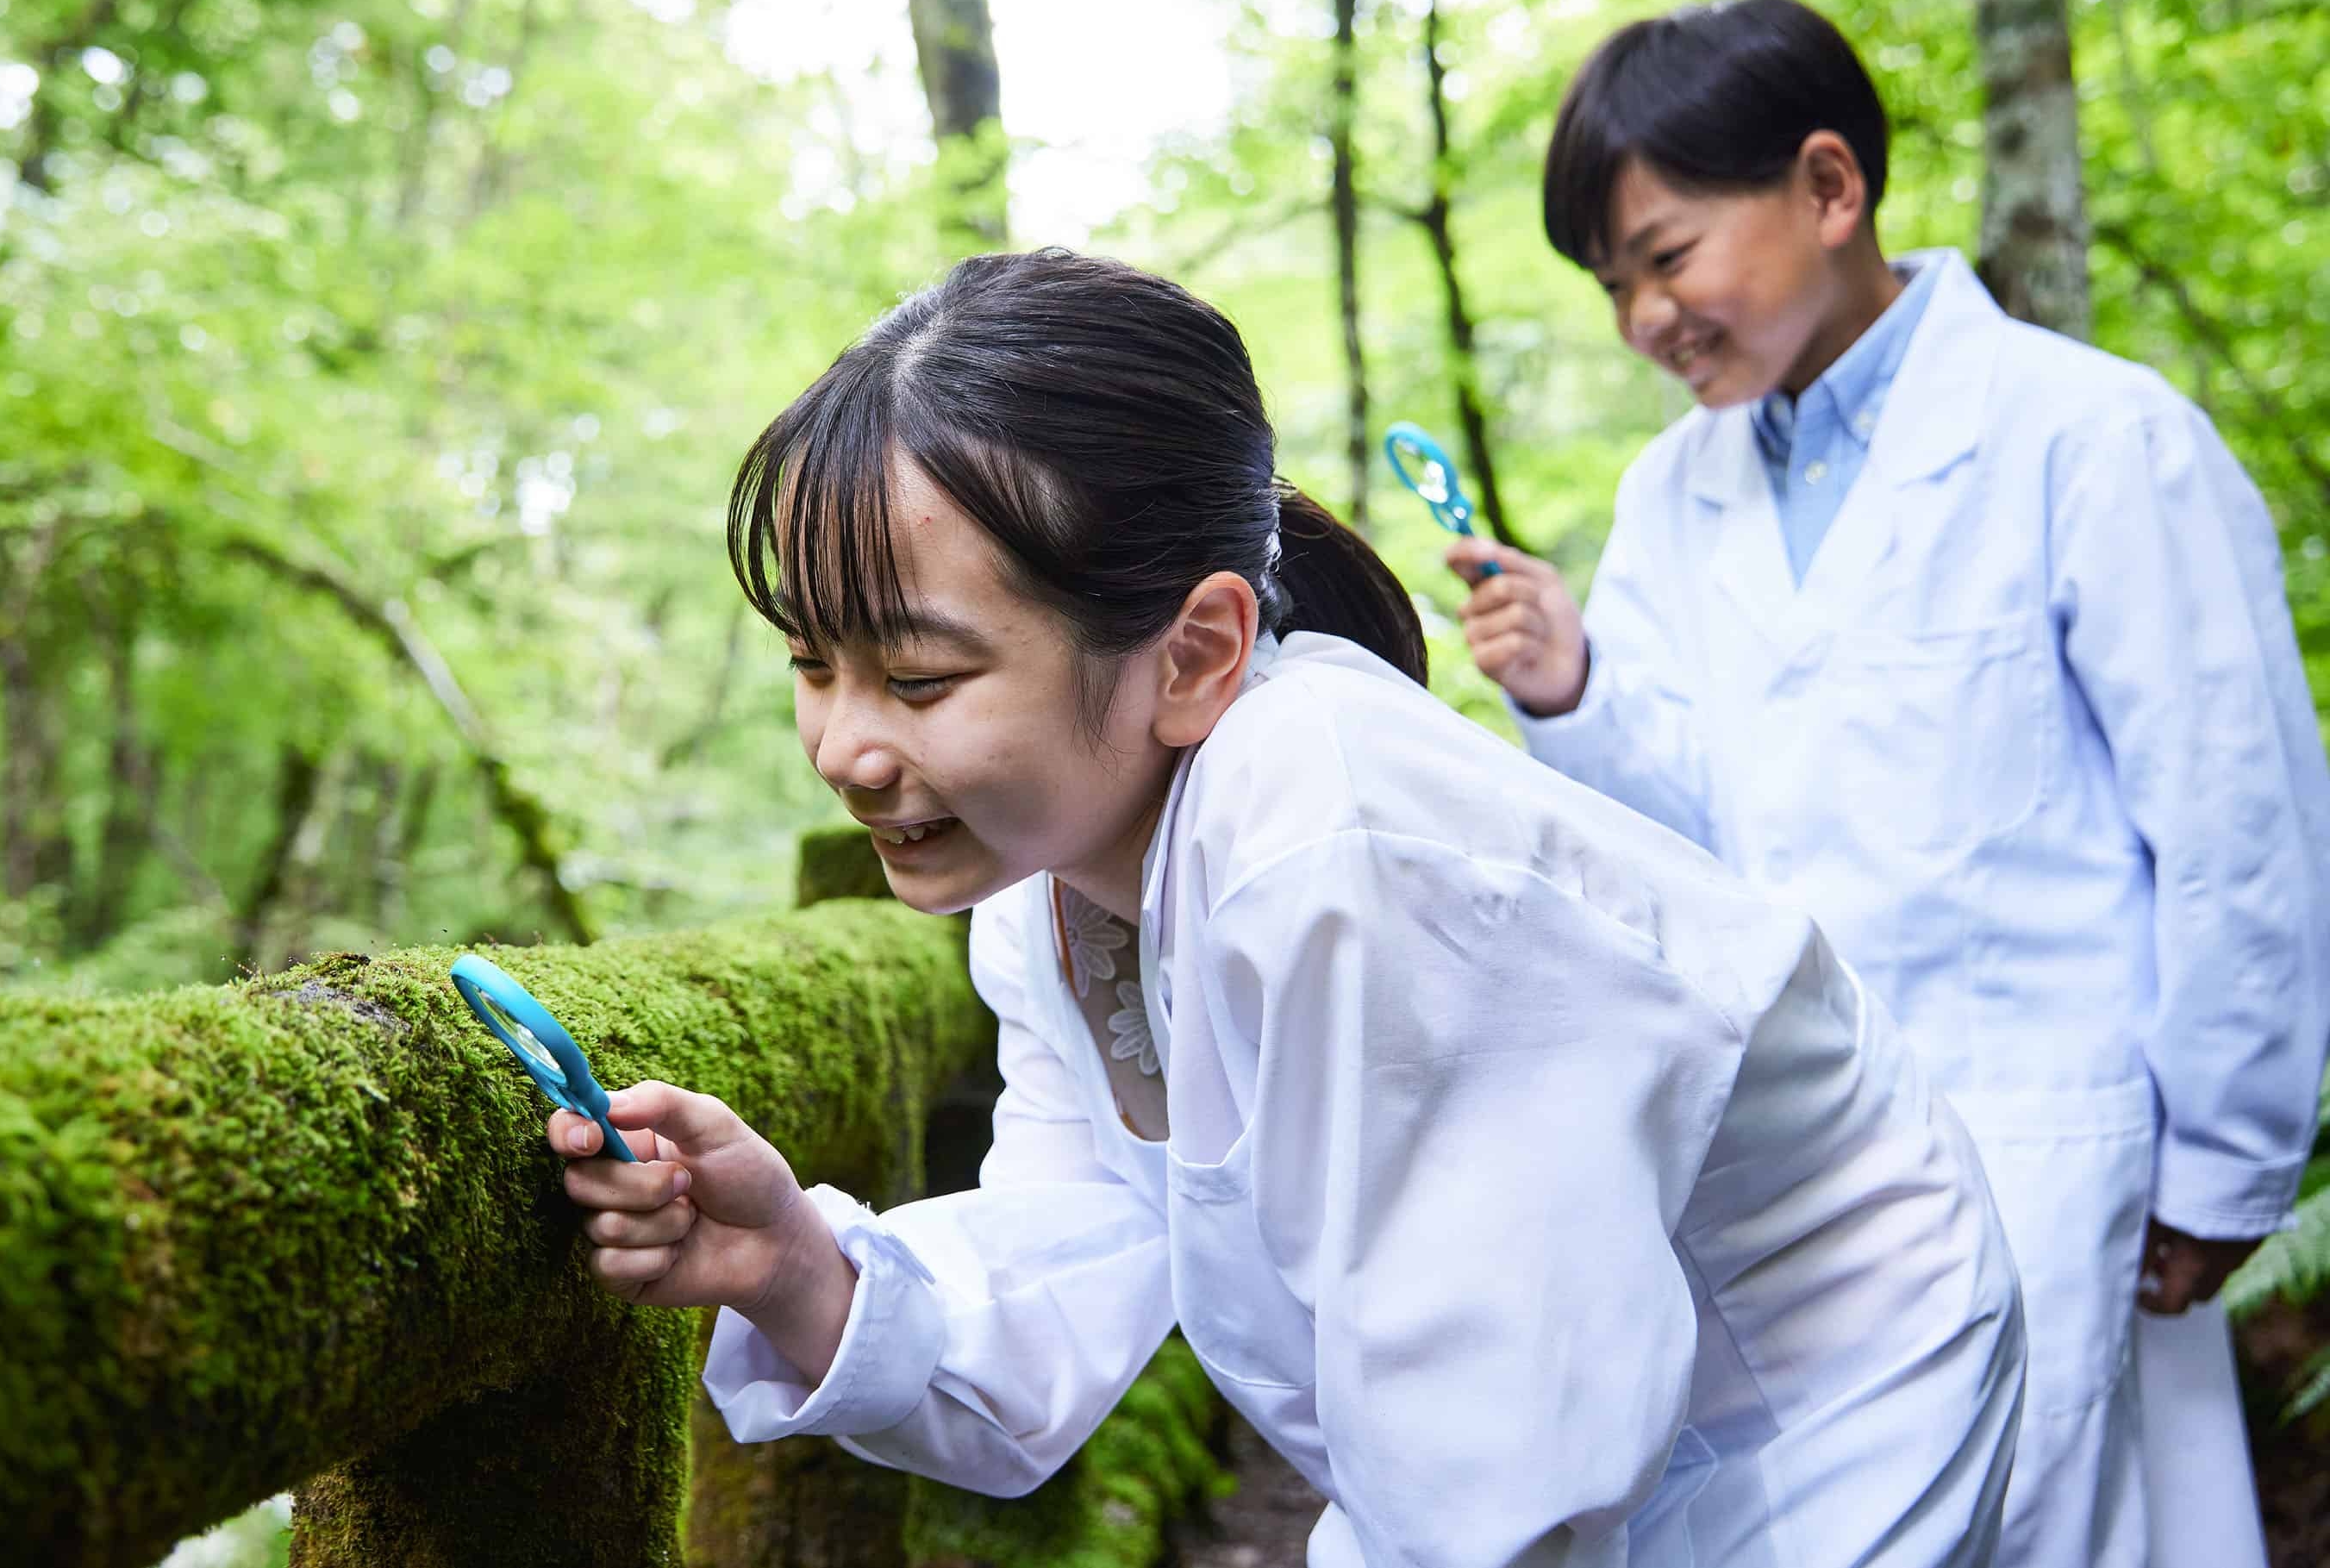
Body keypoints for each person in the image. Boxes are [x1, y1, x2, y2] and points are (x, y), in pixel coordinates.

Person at [552, 249, 2025, 1566]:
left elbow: (1492, 1460)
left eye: (920, 679)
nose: (847, 749)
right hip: (1580, 1431)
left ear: (1194, 651)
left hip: (1821, 1398)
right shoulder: (1052, 888)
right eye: (815, 663)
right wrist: (795, 1263)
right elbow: (1072, 1252)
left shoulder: (1334, 842)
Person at [1449, 0, 2330, 1568]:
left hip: (2054, 1154)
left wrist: (2225, 1164)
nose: (1645, 317)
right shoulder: (1670, 496)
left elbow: (2235, 830)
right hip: (1788, 1182)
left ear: (1830, 186)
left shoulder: (2096, 440)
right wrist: (1574, 694)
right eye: (1611, 285)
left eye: (1666, 256)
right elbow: (1694, 853)